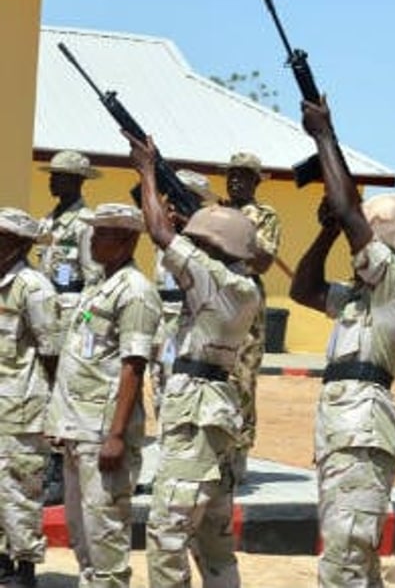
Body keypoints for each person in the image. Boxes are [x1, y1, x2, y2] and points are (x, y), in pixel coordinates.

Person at [290, 96, 395, 588]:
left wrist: (324, 135)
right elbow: (303, 289)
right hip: (341, 429)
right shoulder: (359, 296)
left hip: (363, 431)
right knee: (354, 558)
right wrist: (327, 231)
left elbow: (352, 214)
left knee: (344, 558)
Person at [128, 134, 261, 588]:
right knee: (213, 535)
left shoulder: (216, 280)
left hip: (196, 413)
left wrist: (147, 169)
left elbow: (160, 233)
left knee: (167, 532)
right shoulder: (240, 285)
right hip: (216, 410)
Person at [44, 204, 161, 587]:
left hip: (102, 434)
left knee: (105, 533)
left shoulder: (136, 291)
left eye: (103, 233)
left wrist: (115, 435)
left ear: (128, 239)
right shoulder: (98, 285)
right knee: (82, 530)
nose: (92, 239)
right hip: (77, 427)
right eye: (94, 231)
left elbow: (133, 365)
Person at [35, 149, 104, 506]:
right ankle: (44, 464)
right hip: (44, 314)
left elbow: (94, 281)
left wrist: (85, 323)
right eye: (52, 174)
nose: (52, 179)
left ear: (77, 181)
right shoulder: (48, 222)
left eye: (59, 175)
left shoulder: (84, 224)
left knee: (64, 395)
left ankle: (60, 472)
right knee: (43, 393)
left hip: (70, 317)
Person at [0, 208, 58, 587]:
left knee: (20, 494)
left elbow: (52, 352)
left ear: (19, 243)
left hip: (23, 410)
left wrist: (53, 412)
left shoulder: (33, 286)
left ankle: (24, 571)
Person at [220, 153, 282, 483]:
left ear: (256, 181)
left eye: (244, 176)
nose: (235, 181)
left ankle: (239, 450)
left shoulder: (264, 216)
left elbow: (262, 261)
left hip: (244, 296)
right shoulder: (214, 212)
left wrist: (233, 234)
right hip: (213, 295)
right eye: (232, 175)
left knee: (242, 377)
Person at [149, 169, 219, 418]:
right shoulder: (165, 233)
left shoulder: (206, 240)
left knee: (177, 379)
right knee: (158, 378)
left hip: (185, 318)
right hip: (160, 317)